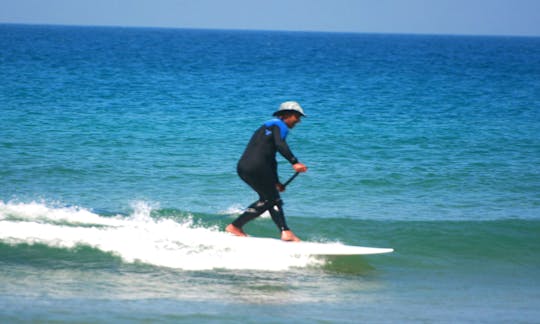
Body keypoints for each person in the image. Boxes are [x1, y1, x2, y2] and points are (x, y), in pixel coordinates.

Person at [226, 101, 308, 241]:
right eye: (297, 116)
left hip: (245, 167)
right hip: (258, 166)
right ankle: (235, 226)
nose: (298, 121)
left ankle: (285, 232)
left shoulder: (266, 127)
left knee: (271, 198)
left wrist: (276, 182)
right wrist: (295, 162)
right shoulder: (279, 125)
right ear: (287, 115)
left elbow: (270, 158)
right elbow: (280, 145)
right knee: (271, 199)